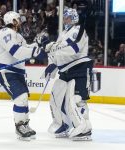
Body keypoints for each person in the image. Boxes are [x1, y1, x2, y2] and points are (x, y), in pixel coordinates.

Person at [42, 8, 93, 141]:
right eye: (64, 18)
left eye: (68, 17)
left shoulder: (78, 30)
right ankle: (63, 124)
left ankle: (84, 128)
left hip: (79, 68)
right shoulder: (64, 33)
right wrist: (51, 65)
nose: (66, 20)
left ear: (75, 18)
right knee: (55, 98)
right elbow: (59, 53)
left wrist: (52, 47)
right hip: (65, 71)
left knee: (76, 100)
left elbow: (73, 48)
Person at [0, 11, 44, 141]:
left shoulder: (18, 35)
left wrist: (38, 45)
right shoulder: (5, 32)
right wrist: (35, 52)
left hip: (17, 71)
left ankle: (25, 125)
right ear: (13, 21)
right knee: (20, 98)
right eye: (17, 19)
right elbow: (16, 51)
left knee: (24, 98)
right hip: (7, 70)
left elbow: (27, 48)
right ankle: (20, 126)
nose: (20, 22)